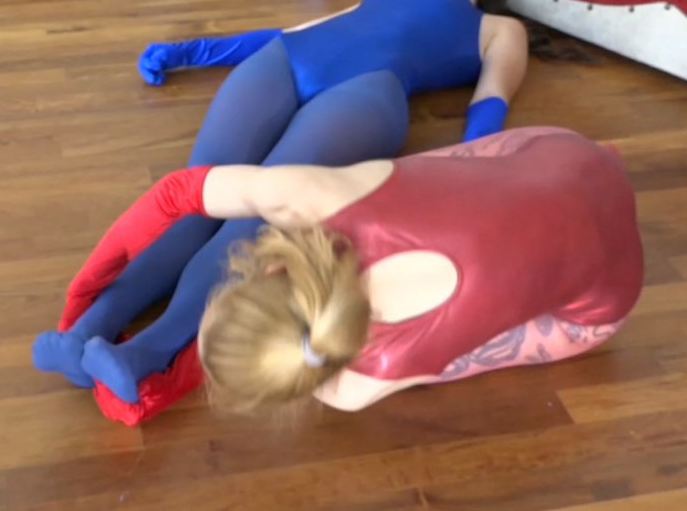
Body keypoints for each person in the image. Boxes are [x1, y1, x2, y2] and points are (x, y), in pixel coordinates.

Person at [33, 0, 532, 402]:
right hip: (288, 58)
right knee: (195, 197)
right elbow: (296, 30)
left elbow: (491, 100)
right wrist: (192, 52)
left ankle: (146, 352)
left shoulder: (498, 26)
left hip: (367, 90)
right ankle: (86, 330)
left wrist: (470, 176)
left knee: (251, 219)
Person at [196, 128, 644, 412]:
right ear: (272, 271)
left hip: (606, 299)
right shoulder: (311, 198)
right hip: (568, 152)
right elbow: (215, 188)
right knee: (414, 182)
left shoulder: (352, 389)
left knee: (449, 345)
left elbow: (316, 370)